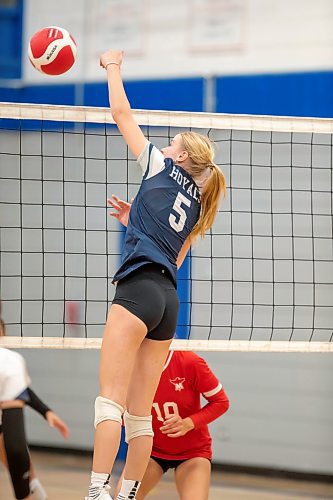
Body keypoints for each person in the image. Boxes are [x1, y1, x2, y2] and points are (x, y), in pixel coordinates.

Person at [86, 49, 226, 500]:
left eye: (170, 145)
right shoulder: (199, 205)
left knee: (110, 400)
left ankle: (95, 493)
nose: (163, 147)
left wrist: (112, 66)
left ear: (180, 155)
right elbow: (176, 255)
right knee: (140, 415)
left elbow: (120, 111)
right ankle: (126, 494)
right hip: (168, 300)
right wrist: (137, 220)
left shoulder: (159, 166)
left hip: (138, 289)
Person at [116, 350, 230, 500]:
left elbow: (221, 402)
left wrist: (188, 423)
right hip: (150, 452)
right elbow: (121, 413)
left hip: (192, 453)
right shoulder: (127, 366)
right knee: (122, 497)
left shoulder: (189, 362)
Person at [0, 314, 69, 500]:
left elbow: (21, 391)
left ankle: (32, 484)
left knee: (7, 444)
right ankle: (29, 487)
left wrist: (46, 412)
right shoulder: (10, 361)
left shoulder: (7, 364)